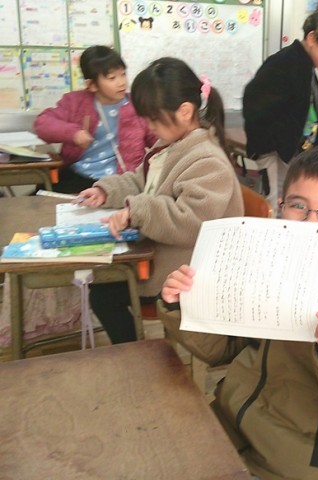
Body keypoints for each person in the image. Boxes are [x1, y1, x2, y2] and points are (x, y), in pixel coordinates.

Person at [159, 145, 318, 479]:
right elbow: (225, 349)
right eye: (298, 206)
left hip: (297, 464)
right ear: (282, 209)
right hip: (229, 426)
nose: (311, 222)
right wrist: (183, 305)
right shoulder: (270, 270)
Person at [76, 57, 243, 344]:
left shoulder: (207, 160)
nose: (149, 126)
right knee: (103, 285)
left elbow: (188, 221)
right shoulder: (171, 144)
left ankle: (135, 354)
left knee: (104, 294)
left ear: (185, 111)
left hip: (187, 270)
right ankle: (134, 352)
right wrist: (106, 191)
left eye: (154, 119)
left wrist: (137, 211)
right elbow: (142, 181)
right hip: (165, 255)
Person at [243, 3, 318, 211]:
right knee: (275, 206)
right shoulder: (284, 63)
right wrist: (276, 145)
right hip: (274, 154)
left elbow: (309, 113)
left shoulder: (305, 67)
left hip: (292, 155)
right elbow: (253, 105)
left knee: (292, 202)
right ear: (312, 38)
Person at [34, 45, 156, 193]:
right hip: (80, 175)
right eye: (112, 78)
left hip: (121, 181)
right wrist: (74, 134)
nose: (122, 82)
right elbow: (42, 123)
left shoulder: (137, 105)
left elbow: (158, 139)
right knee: (40, 196)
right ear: (91, 85)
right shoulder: (75, 102)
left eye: (123, 74)